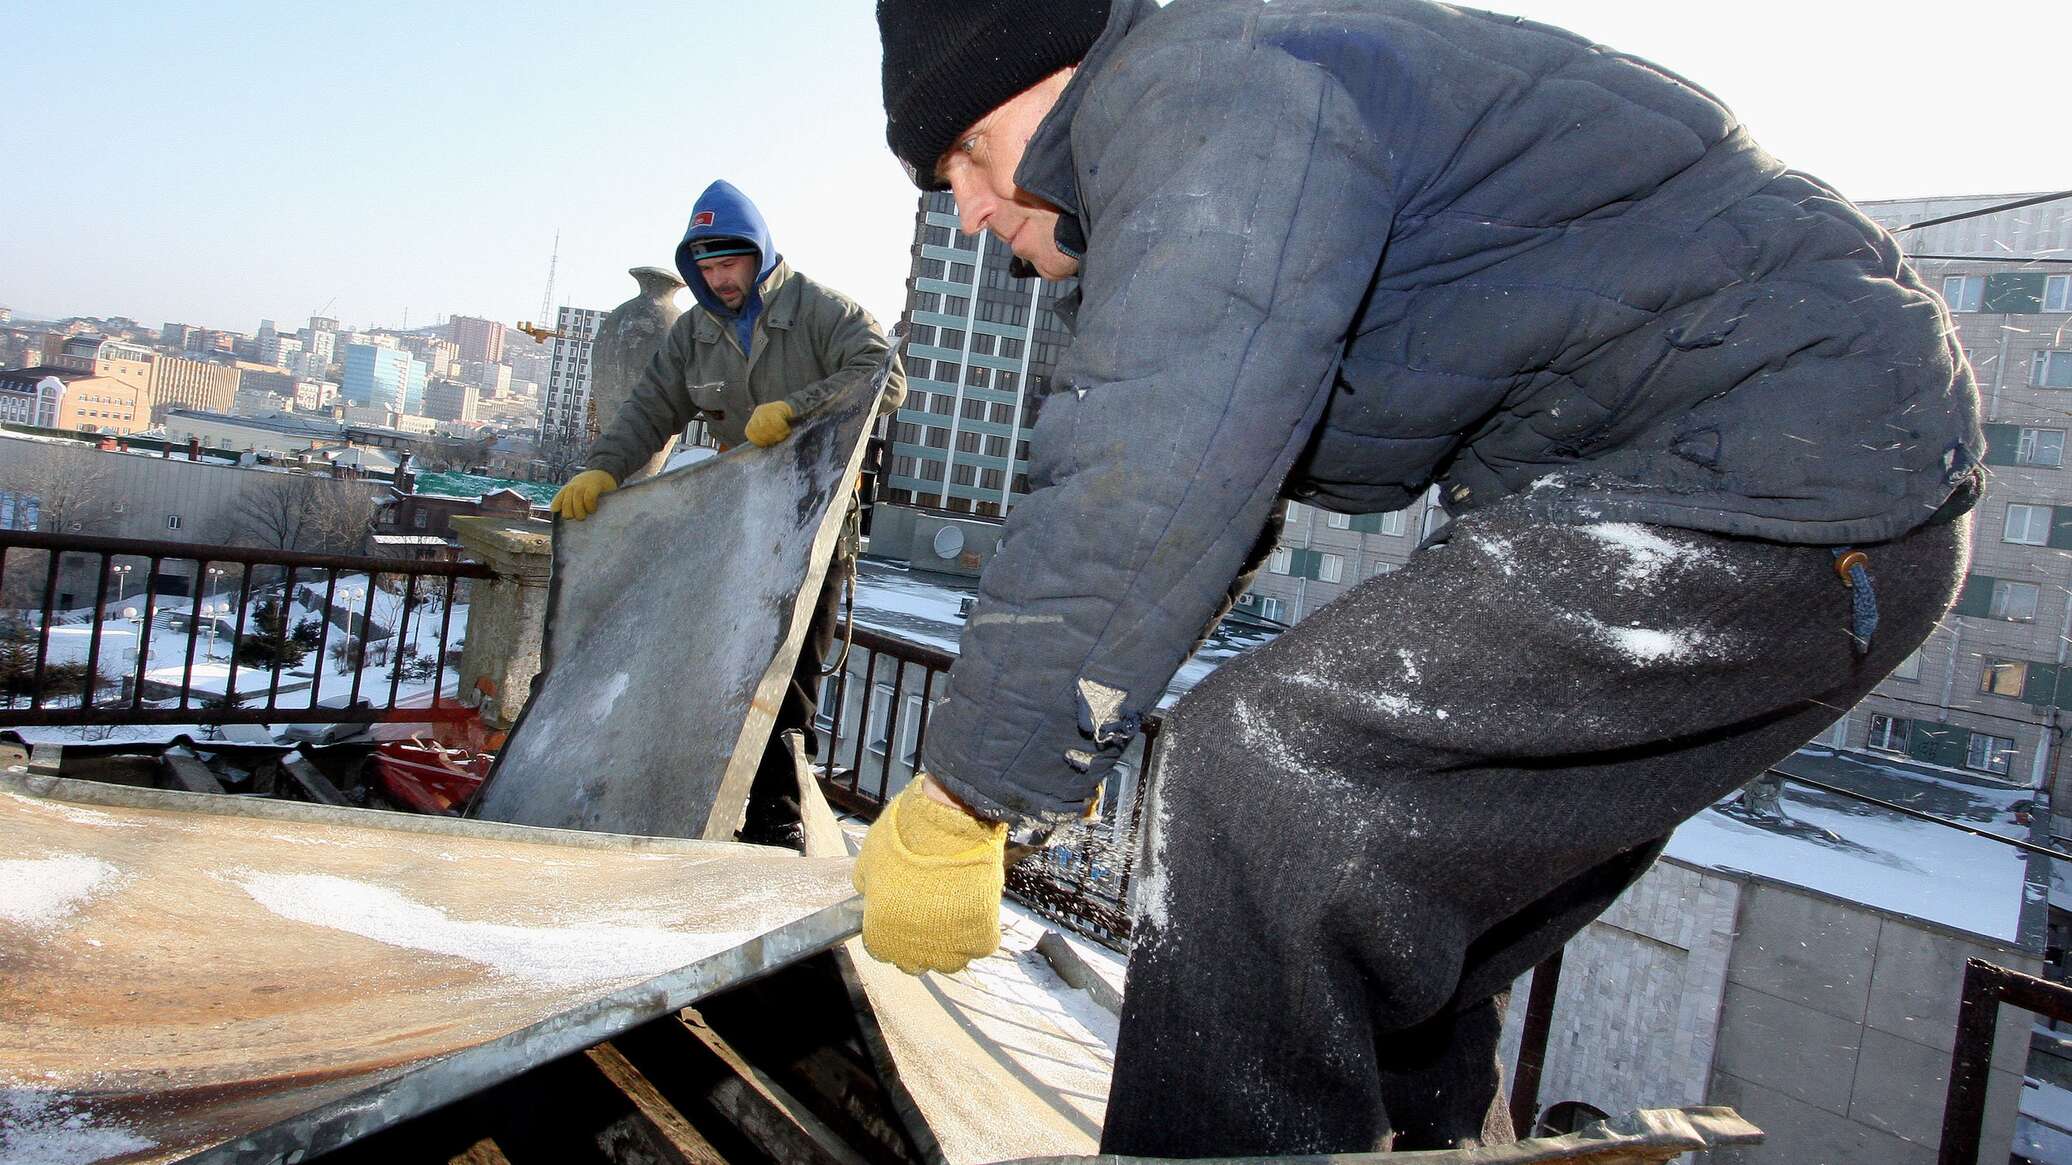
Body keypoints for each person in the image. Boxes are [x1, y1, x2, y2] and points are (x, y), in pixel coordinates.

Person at [853, 0, 1982, 1157]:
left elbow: (1141, 476)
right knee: (1390, 903)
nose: (972, 210)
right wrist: (1070, 725)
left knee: (1258, 784)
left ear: (1055, 72)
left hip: (1785, 468)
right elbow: (1201, 498)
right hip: (1783, 486)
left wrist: (966, 795)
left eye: (970, 156)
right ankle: (1422, 1140)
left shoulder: (1204, 89)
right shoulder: (1209, 131)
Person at [551, 179, 905, 846]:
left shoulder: (822, 310)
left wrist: (800, 411)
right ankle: (687, 791)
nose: (719, 281)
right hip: (742, 519)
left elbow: (885, 377)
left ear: (758, 254)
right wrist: (603, 468)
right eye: (706, 270)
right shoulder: (696, 333)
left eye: (728, 265)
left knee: (792, 665)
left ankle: (778, 814)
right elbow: (649, 408)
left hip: (816, 515)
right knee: (718, 657)